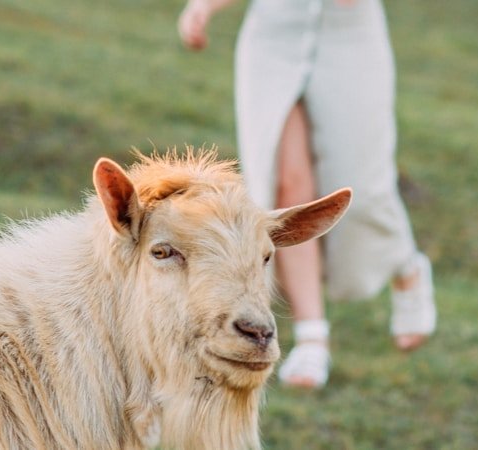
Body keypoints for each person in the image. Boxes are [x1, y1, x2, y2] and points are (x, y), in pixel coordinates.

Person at [178, 0, 436, 389]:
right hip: (273, 31)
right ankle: (312, 334)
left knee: (360, 189)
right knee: (283, 187)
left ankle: (405, 265)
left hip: (351, 33)